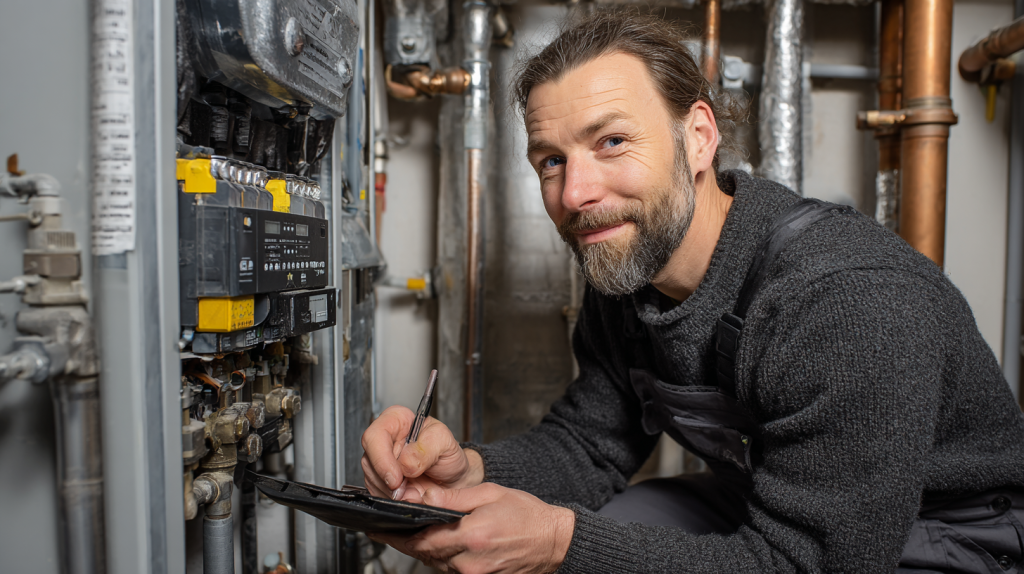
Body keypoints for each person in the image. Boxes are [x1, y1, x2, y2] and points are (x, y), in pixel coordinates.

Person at [361, 12, 1024, 573]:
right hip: (774, 500)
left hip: (947, 530)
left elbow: (810, 563)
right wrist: (469, 472)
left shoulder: (844, 300)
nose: (574, 194)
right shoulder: (627, 268)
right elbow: (589, 445)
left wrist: (563, 542)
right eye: (551, 161)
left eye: (612, 141)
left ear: (698, 136)